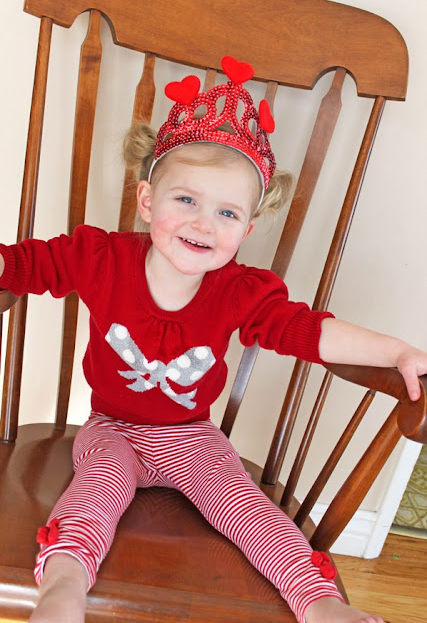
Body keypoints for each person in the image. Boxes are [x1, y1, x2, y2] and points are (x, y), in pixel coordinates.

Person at [0, 55, 425, 623]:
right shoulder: (101, 258)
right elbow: (23, 266)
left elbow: (312, 332)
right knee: (96, 492)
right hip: (112, 428)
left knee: (245, 506)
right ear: (147, 200)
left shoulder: (240, 291)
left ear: (247, 228)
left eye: (227, 212)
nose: (204, 223)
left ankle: (318, 601)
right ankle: (63, 587)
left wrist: (396, 351)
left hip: (192, 438)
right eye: (186, 200)